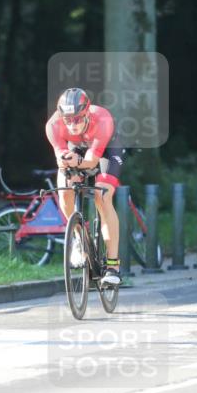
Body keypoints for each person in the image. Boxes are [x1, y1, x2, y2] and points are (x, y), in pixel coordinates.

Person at [46, 88, 126, 285]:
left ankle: (113, 265)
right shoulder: (53, 125)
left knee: (103, 196)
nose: (72, 124)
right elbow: (61, 158)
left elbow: (90, 162)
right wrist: (66, 161)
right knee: (64, 191)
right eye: (68, 120)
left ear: (87, 113)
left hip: (106, 147)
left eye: (78, 118)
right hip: (78, 147)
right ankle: (78, 237)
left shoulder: (102, 120)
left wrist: (78, 161)